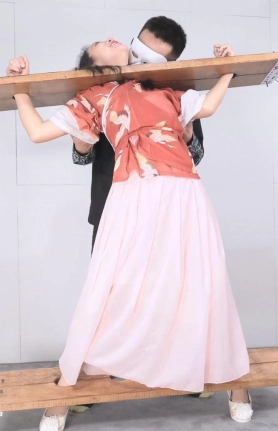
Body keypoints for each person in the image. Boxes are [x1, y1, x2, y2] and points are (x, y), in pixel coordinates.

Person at [7, 40, 251, 431]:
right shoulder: (92, 97)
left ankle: (230, 381)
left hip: (183, 191)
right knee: (111, 287)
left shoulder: (163, 86)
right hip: (128, 192)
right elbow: (39, 133)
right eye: (100, 42)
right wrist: (19, 87)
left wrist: (228, 68)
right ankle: (69, 388)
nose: (111, 40)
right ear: (91, 63)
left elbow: (206, 110)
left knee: (200, 280)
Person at [71, 16, 206, 253]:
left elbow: (197, 154)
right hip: (111, 207)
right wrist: (82, 147)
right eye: (138, 51)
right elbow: (81, 157)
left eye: (149, 59)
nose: (139, 62)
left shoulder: (178, 92)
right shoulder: (102, 86)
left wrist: (187, 136)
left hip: (163, 211)